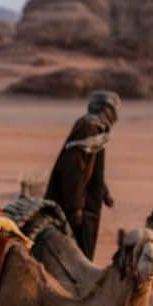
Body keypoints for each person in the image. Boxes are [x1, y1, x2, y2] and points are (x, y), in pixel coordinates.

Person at [45, 90, 119, 259]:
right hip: (79, 207)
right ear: (105, 109)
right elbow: (74, 170)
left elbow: (91, 168)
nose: (116, 117)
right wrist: (75, 207)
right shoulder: (88, 128)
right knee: (77, 256)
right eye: (113, 111)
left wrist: (104, 192)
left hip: (89, 204)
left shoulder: (98, 129)